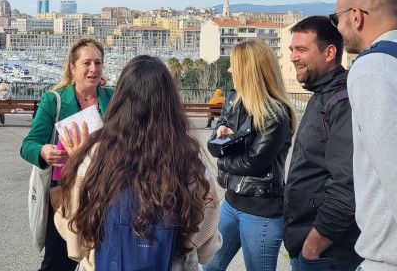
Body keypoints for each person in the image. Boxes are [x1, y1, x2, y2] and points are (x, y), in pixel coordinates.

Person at [55, 55, 222, 270]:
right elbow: (206, 248)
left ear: (120, 100)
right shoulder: (190, 159)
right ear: (170, 103)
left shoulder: (95, 156)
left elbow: (76, 243)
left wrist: (77, 162)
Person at [20, 38, 114, 271]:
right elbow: (28, 145)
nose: (94, 69)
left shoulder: (112, 97)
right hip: (66, 193)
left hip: (104, 191)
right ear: (72, 66)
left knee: (100, 258)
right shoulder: (55, 100)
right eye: (87, 63)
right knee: (58, 261)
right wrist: (43, 151)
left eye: (98, 63)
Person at [203, 39, 297, 271]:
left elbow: (254, 163)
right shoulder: (235, 101)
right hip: (232, 201)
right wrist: (222, 138)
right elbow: (213, 145)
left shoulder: (275, 113)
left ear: (249, 69)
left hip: (261, 210)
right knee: (210, 266)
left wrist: (223, 158)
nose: (229, 70)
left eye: (234, 65)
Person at [332, 0, 397, 270]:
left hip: (391, 257)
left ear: (356, 16)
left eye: (337, 18)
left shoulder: (373, 68)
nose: (338, 28)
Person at [284, 16, 362, 270]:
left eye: (301, 49)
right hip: (313, 246)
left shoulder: (342, 101)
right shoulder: (323, 94)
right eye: (292, 50)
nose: (293, 57)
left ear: (329, 53)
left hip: (328, 252)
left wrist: (313, 245)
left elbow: (348, 184)